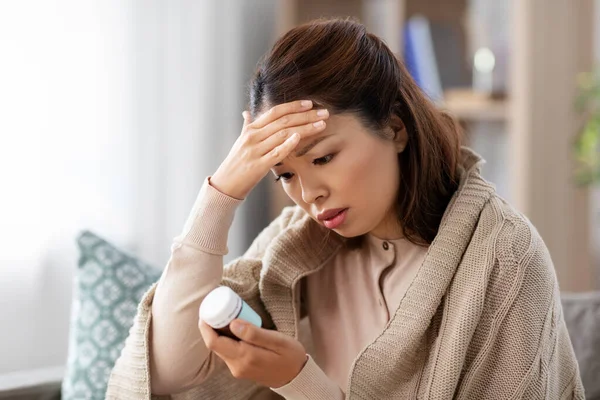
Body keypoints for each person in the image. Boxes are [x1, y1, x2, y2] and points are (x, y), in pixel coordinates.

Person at [106, 18, 584, 400]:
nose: (308, 194)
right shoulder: (297, 246)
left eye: (323, 158)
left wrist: (299, 379)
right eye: (285, 175)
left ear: (395, 129)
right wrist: (220, 194)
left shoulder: (505, 257)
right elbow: (168, 372)